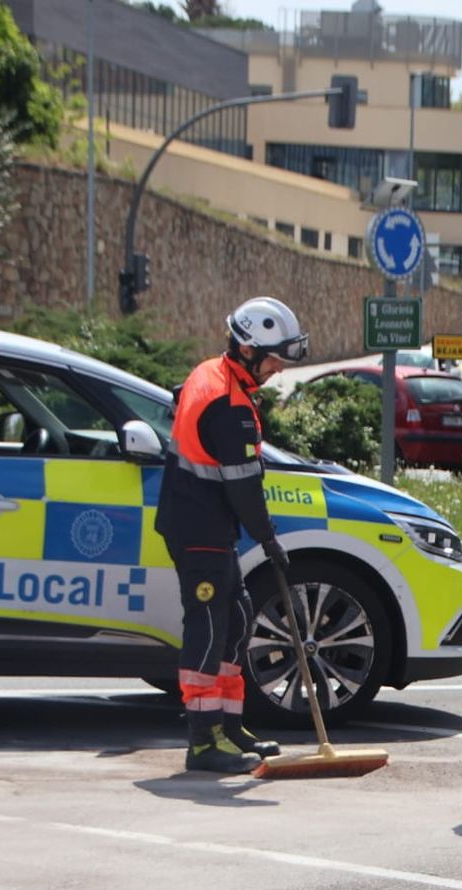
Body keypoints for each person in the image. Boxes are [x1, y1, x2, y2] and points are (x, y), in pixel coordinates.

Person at [157, 297, 310, 774]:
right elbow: (245, 489)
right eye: (272, 357)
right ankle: (204, 741)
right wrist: (269, 540)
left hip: (204, 524)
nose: (278, 367)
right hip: (199, 526)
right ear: (247, 350)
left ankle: (230, 723)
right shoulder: (232, 407)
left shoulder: (211, 373)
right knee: (208, 629)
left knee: (238, 618)